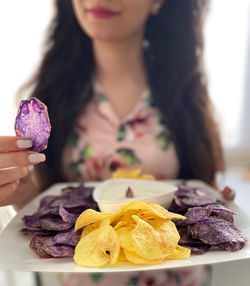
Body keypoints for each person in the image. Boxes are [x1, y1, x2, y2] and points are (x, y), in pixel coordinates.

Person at [0, 0, 234, 285]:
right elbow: (48, 210)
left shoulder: (187, 95)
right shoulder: (52, 97)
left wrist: (214, 207)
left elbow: (197, 192)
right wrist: (22, 193)